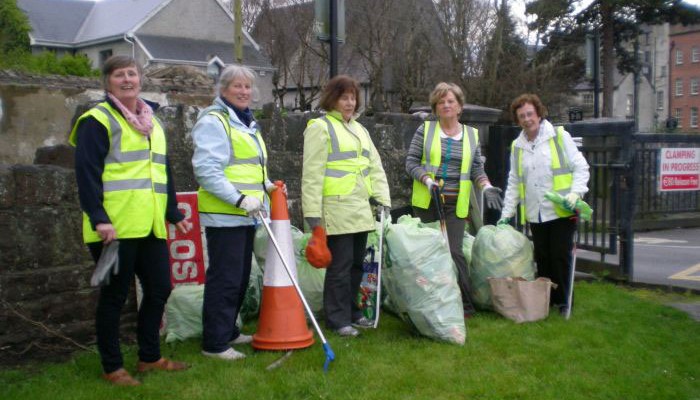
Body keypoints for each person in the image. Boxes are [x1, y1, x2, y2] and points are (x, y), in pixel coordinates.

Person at [70, 55, 191, 386]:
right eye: (119, 75)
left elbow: (162, 171)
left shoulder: (153, 121)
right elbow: (87, 173)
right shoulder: (97, 120)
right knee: (115, 297)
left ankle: (150, 358)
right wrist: (98, 218)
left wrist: (173, 212)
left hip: (150, 225)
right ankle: (113, 367)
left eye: (132, 74)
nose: (127, 80)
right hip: (115, 228)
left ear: (140, 79)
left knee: (160, 288)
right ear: (107, 82)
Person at [191, 65, 283, 360]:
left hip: (246, 215)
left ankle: (228, 330)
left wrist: (268, 187)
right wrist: (239, 199)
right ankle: (215, 343)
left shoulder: (245, 123)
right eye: (237, 86)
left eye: (247, 87)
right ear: (223, 89)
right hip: (225, 214)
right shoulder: (215, 121)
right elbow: (207, 170)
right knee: (226, 277)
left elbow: (250, 168)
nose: (244, 92)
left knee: (241, 275)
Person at [302, 75, 391, 337]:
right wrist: (312, 216)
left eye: (353, 97)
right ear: (333, 99)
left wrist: (384, 200)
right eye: (344, 97)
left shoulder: (361, 130)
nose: (350, 103)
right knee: (340, 267)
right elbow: (312, 174)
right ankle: (337, 319)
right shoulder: (321, 127)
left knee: (356, 266)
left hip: (361, 209)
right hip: (336, 209)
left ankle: (352, 313)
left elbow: (375, 167)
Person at [406, 82, 503, 318]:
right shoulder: (426, 131)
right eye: (441, 102)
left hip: (455, 204)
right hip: (428, 201)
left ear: (460, 107)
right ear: (435, 108)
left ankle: (465, 305)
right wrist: (428, 181)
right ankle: (431, 302)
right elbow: (411, 163)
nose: (446, 105)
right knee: (428, 254)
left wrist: (487, 186)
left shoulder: (471, 135)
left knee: (454, 252)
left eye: (451, 101)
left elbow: (476, 169)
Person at [498, 93, 590, 316]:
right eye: (522, 116)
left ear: (539, 114)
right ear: (517, 120)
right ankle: (546, 298)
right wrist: (506, 213)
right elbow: (514, 181)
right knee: (543, 257)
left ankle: (564, 301)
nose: (527, 119)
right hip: (535, 212)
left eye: (530, 114)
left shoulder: (559, 137)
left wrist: (575, 193)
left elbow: (581, 167)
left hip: (562, 209)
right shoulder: (517, 146)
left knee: (560, 256)